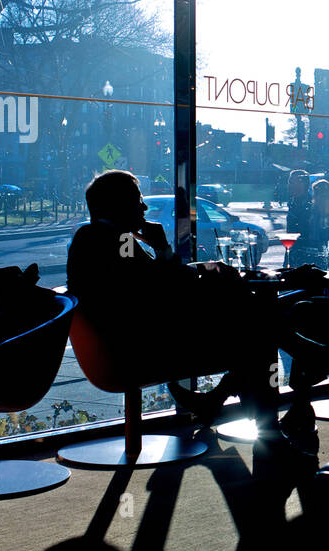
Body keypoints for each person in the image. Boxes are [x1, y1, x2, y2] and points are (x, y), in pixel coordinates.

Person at [66, 171, 281, 437]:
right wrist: (164, 248)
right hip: (139, 352)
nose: (144, 207)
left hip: (121, 347)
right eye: (138, 200)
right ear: (119, 204)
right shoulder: (115, 240)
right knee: (259, 330)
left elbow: (155, 285)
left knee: (255, 325)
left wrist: (199, 272)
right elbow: (170, 286)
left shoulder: (95, 238)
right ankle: (267, 429)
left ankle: (224, 402)